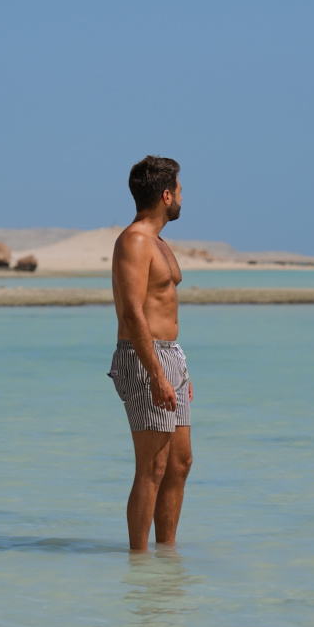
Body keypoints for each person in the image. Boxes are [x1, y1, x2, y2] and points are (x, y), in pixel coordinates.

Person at [109, 155, 193, 551]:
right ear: (165, 195)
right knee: (153, 466)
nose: (182, 196)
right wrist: (157, 373)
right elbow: (132, 311)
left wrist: (176, 370)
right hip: (144, 358)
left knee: (179, 464)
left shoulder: (158, 241)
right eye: (178, 189)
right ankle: (139, 563)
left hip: (170, 356)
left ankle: (167, 558)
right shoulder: (135, 241)